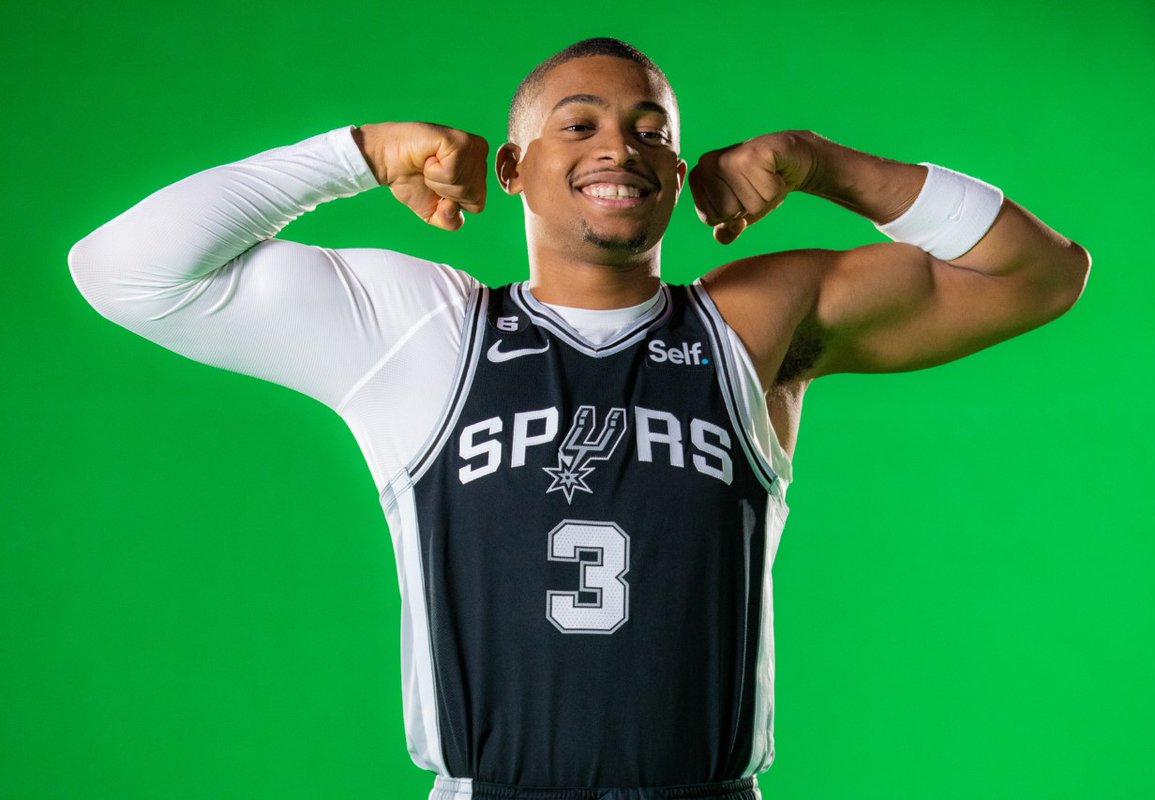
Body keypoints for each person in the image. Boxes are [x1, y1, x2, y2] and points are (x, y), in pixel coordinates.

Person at [68, 37, 1089, 800]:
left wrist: (821, 163)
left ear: (681, 173)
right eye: (581, 122)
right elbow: (123, 269)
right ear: (512, 169)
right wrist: (357, 151)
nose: (622, 146)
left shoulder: (754, 320)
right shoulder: (423, 328)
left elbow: (1041, 273)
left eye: (653, 129)